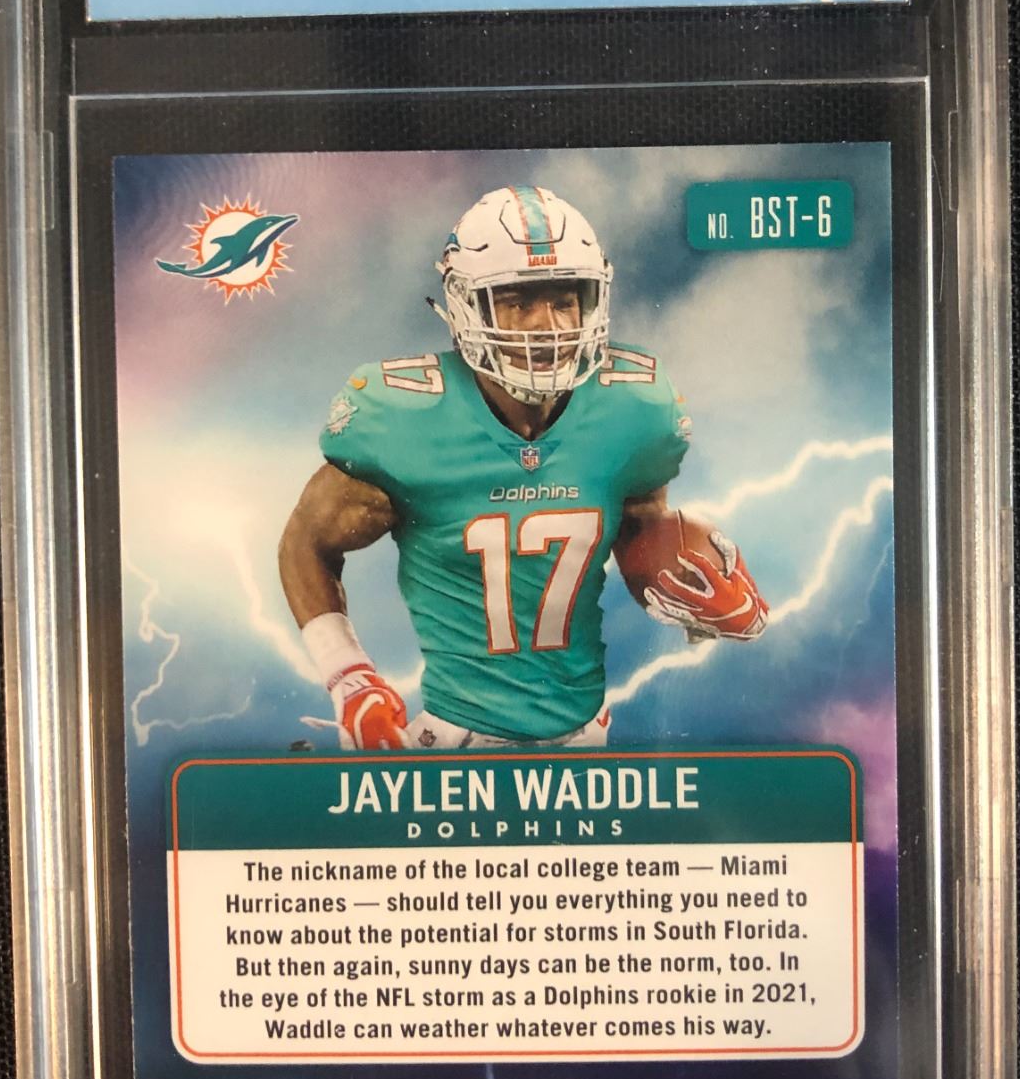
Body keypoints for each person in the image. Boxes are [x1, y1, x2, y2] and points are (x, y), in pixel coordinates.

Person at [279, 185, 765, 749]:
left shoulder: (635, 408)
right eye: (517, 301)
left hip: (586, 737)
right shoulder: (402, 418)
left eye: (563, 301)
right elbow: (306, 542)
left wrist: (700, 602)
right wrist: (350, 679)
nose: (547, 325)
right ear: (467, 305)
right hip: (453, 739)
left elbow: (639, 529)